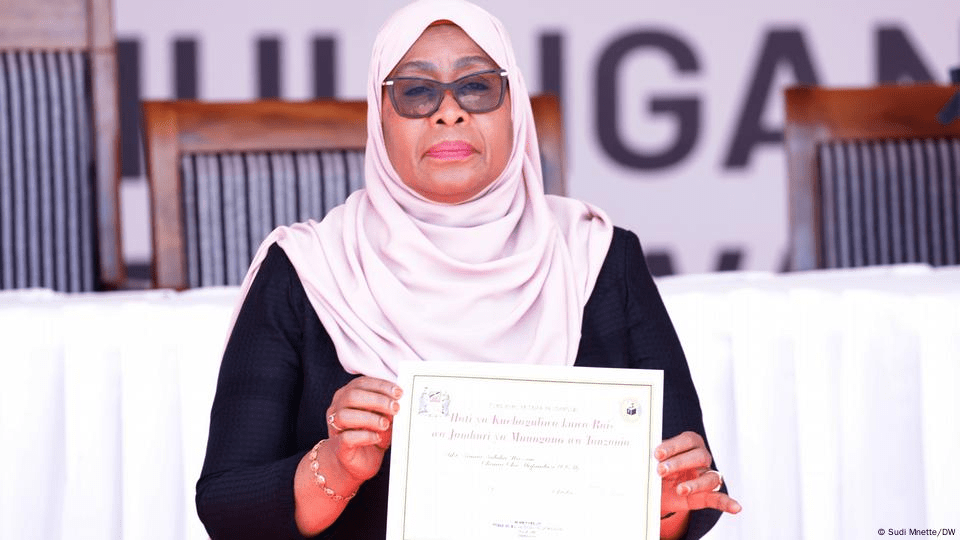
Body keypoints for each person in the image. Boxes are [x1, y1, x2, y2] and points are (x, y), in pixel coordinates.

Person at [196, 1, 741, 538]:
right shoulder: (308, 270)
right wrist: (336, 469)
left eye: (477, 86)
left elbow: (690, 489)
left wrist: (659, 507)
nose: (449, 112)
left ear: (514, 108)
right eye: (415, 91)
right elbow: (226, 506)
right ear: (378, 118)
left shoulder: (596, 256)